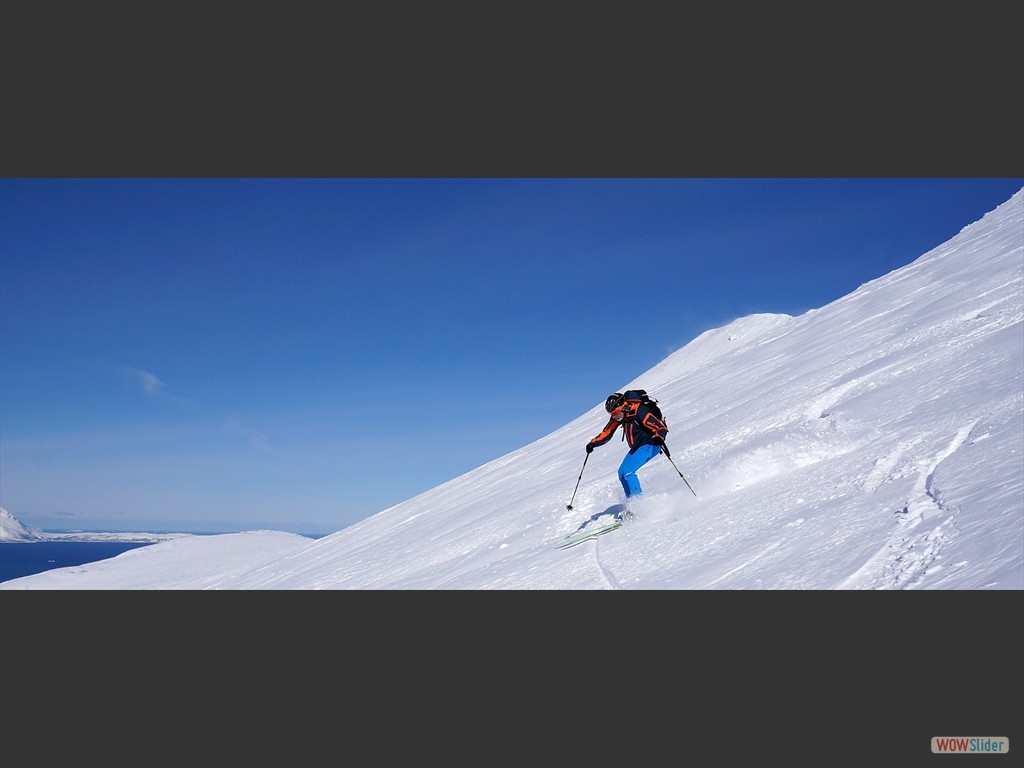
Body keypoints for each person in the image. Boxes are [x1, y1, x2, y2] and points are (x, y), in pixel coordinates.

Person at [586, 390, 669, 515]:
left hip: (651, 444)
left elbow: (660, 427)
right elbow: (607, 432)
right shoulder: (619, 415)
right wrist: (593, 443)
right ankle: (632, 506)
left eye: (616, 414)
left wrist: (659, 437)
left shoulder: (639, 411)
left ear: (623, 406)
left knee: (629, 472)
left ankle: (640, 507)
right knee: (622, 473)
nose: (615, 417)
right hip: (637, 447)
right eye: (612, 415)